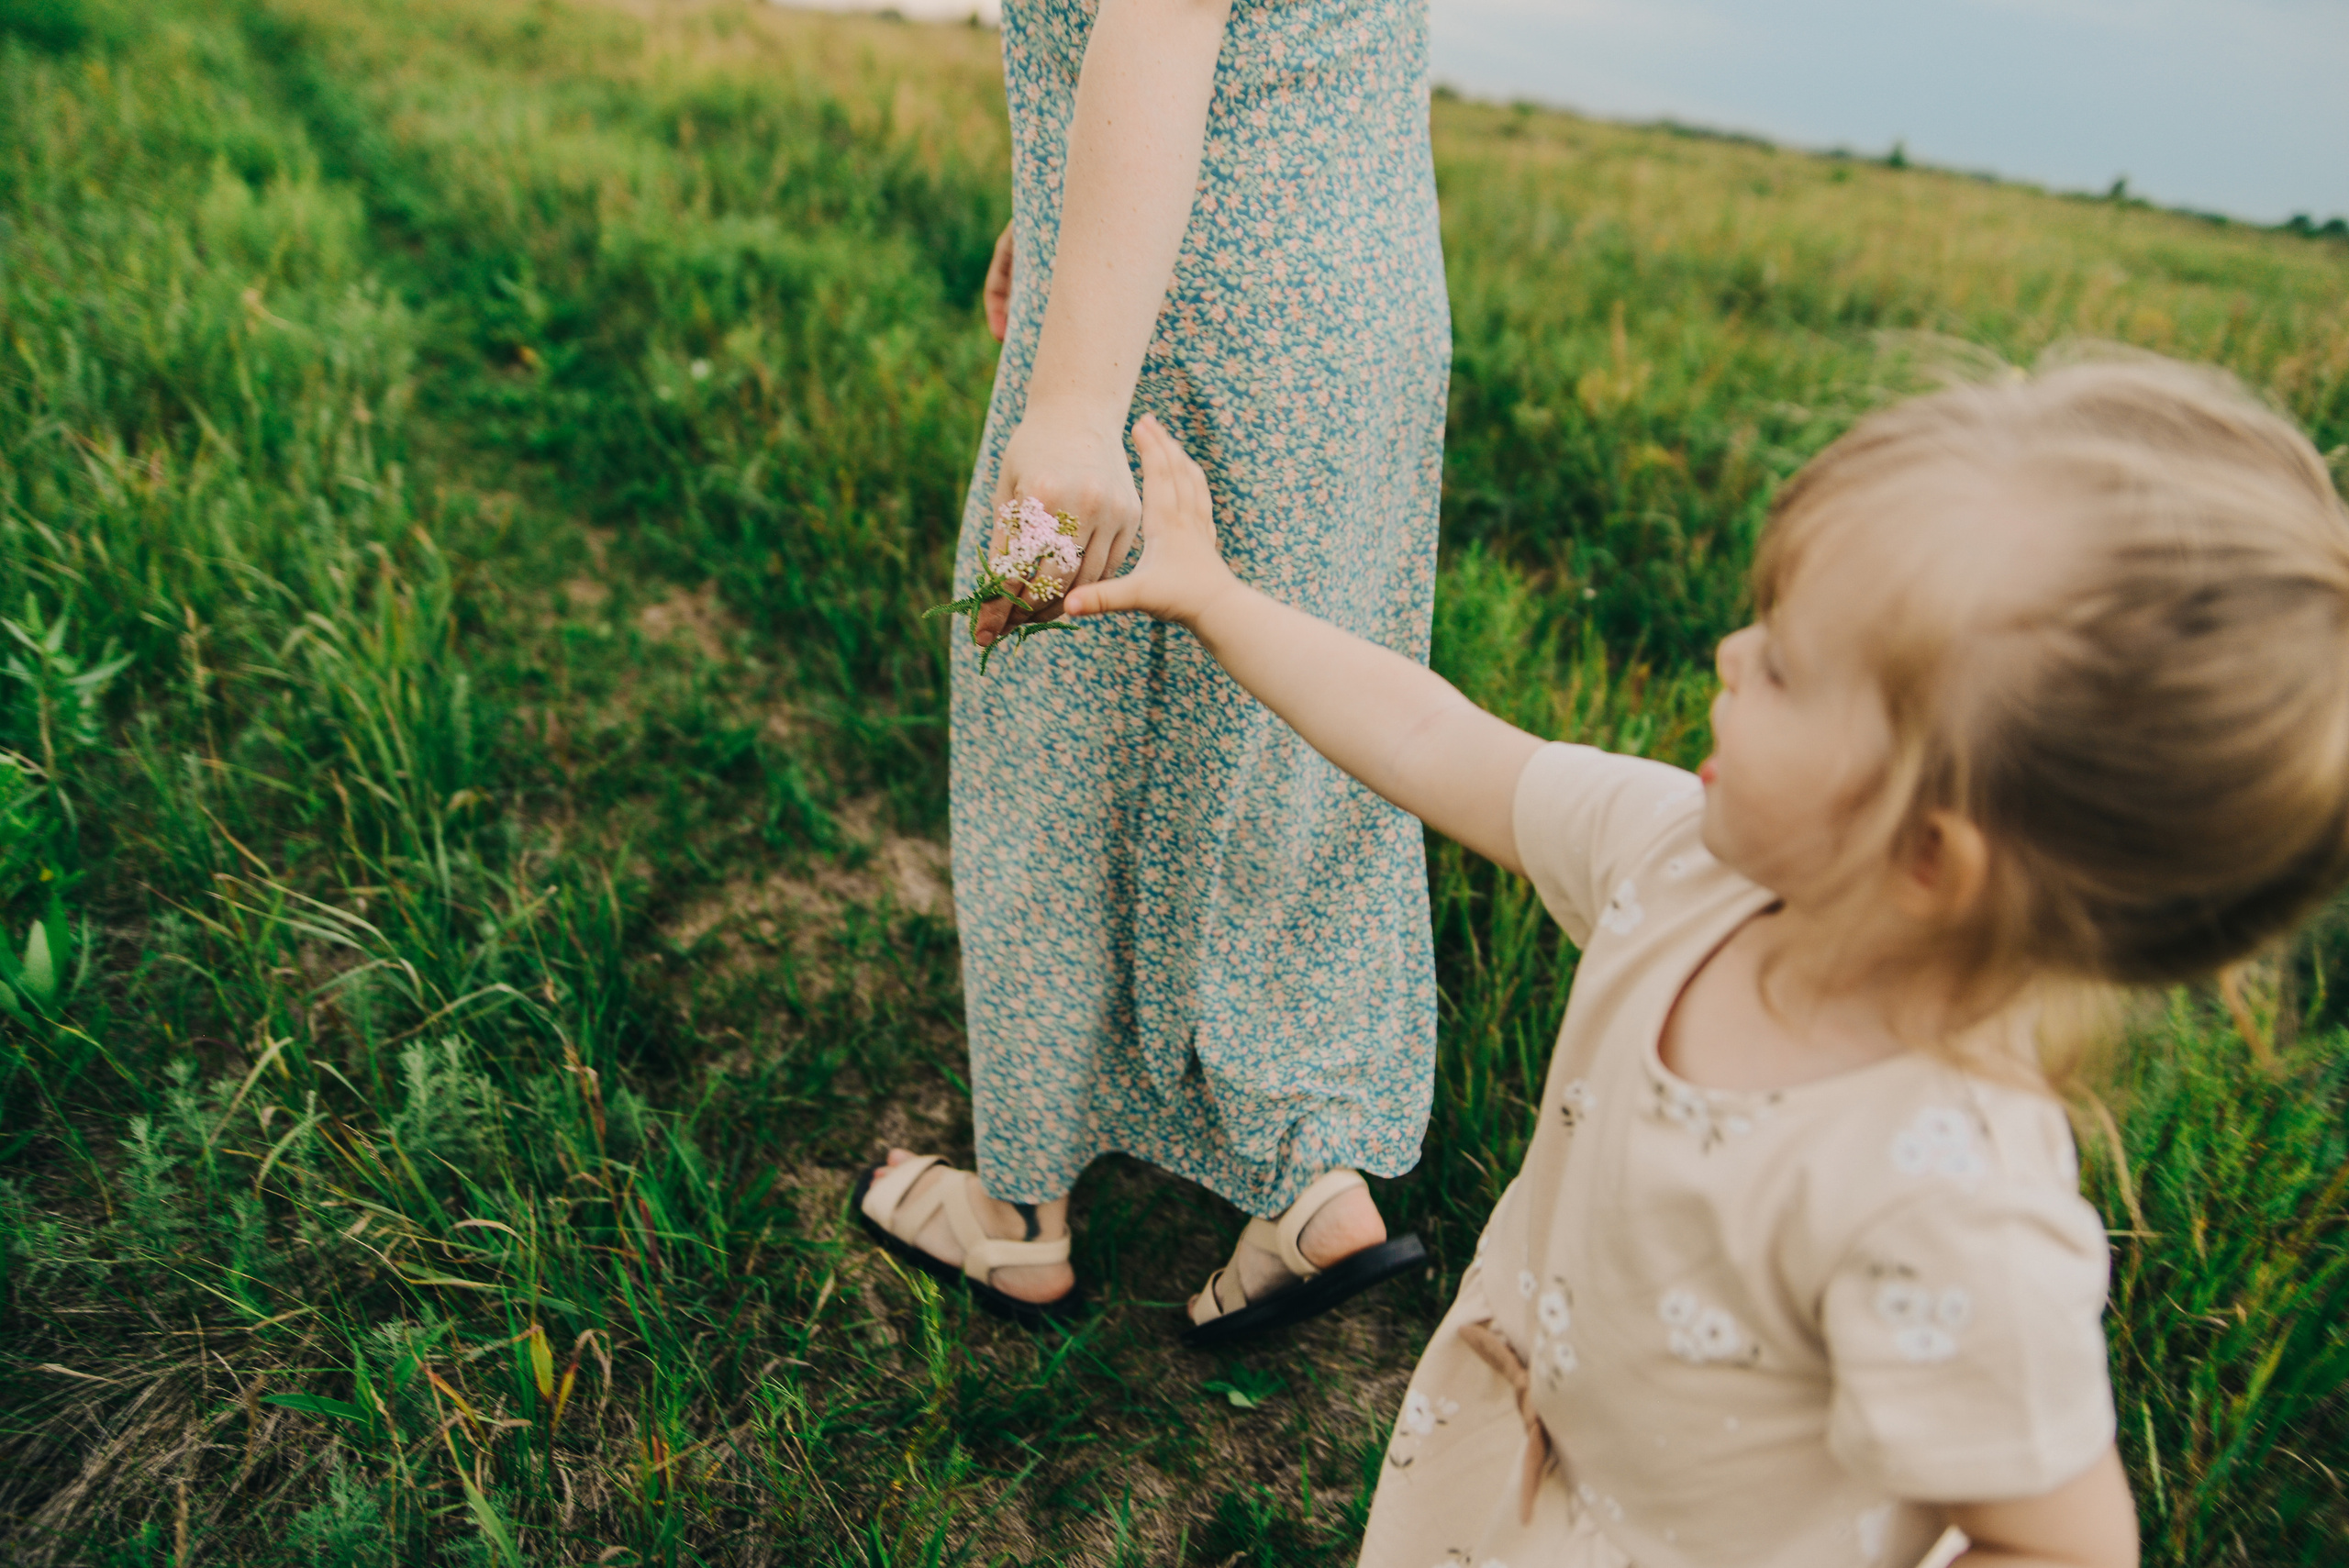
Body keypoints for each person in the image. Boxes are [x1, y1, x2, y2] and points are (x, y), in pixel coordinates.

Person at [1064, 357, 2349, 1566]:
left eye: (1784, 664)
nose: (1730, 655)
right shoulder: (1687, 863)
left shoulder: (1948, 1195)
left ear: (1927, 851)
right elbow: (1431, 732)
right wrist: (1218, 600)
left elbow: (2062, 1539)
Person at [856, 0, 1450, 1341]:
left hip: (1186, 317)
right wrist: (1064, 207)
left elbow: (1167, 23)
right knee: (1296, 731)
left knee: (1053, 727)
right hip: (1356, 311)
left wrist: (1069, 398)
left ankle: (1018, 1214)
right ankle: (1310, 1179)